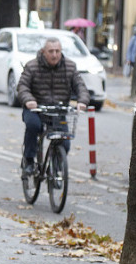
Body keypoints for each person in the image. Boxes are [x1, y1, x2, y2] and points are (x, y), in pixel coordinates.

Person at [16, 38, 90, 175]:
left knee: (65, 142)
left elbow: (80, 86)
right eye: (51, 51)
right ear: (44, 52)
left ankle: (56, 166)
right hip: (36, 109)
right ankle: (29, 160)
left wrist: (82, 101)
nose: (54, 55)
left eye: (57, 51)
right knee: (33, 126)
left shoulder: (70, 67)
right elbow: (22, 87)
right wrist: (29, 100)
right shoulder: (32, 66)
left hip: (57, 111)